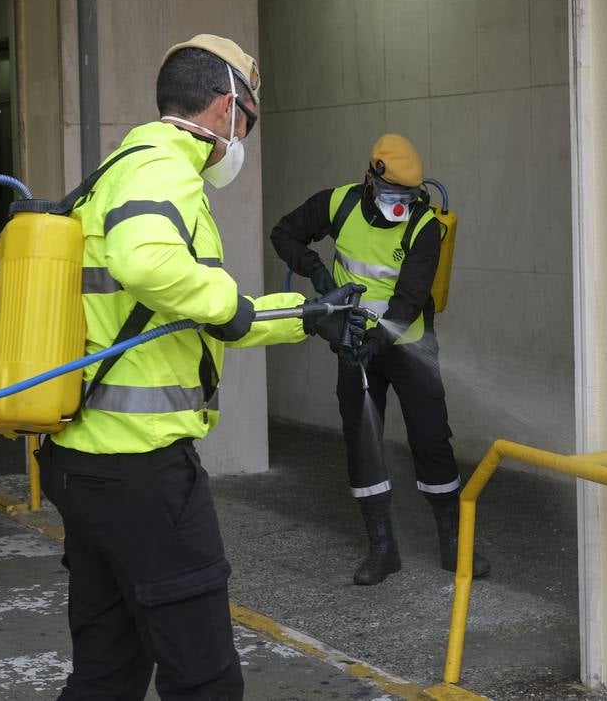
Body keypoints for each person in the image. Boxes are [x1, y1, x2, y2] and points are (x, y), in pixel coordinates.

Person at [35, 34, 366, 701]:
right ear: (223, 107)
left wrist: (306, 314)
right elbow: (150, 267)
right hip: (142, 477)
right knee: (205, 679)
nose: (243, 135)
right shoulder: (162, 169)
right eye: (247, 118)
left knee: (108, 672)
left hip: (86, 462)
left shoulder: (124, 165)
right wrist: (237, 311)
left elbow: (186, 315)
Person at [270, 134, 491, 586]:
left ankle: (454, 543)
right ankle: (383, 548)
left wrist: (376, 342)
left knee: (431, 437)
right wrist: (314, 268)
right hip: (354, 344)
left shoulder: (425, 226)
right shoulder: (339, 204)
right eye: (391, 193)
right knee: (362, 437)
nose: (399, 203)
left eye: (407, 197)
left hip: (407, 344)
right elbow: (284, 232)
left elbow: (409, 300)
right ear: (370, 178)